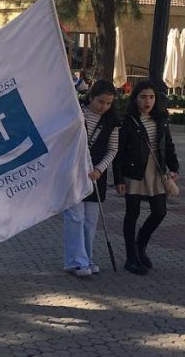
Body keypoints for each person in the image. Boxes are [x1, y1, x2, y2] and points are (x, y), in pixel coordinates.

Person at [115, 81, 179, 275]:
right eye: (143, 97)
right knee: (132, 215)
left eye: (151, 97)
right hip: (134, 173)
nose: (147, 101)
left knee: (160, 212)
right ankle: (131, 258)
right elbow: (118, 153)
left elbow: (168, 145)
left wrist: (174, 167)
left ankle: (140, 244)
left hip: (156, 172)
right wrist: (118, 179)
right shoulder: (128, 122)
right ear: (135, 99)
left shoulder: (161, 119)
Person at [62, 80, 120, 277]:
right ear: (91, 97)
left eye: (108, 103)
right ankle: (75, 261)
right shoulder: (76, 114)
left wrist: (99, 169)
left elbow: (112, 150)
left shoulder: (111, 122)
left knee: (90, 220)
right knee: (75, 217)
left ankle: (87, 257)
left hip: (96, 175)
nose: (104, 107)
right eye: (100, 102)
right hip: (74, 173)